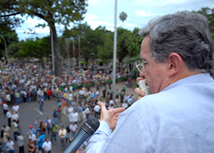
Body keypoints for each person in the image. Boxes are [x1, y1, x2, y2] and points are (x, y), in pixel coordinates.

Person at [85, 11, 214, 152]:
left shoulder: (148, 111)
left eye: (145, 63)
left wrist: (103, 126)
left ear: (173, 64)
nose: (142, 73)